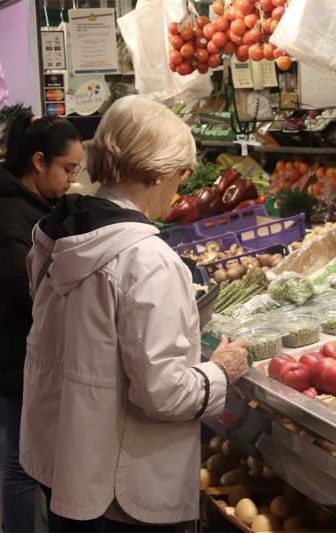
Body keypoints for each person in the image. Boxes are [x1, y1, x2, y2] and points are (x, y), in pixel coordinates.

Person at [19, 95, 249, 531]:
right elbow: (164, 393)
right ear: (158, 171)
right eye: (180, 174)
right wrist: (220, 371)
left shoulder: (55, 232)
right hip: (122, 486)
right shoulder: (148, 261)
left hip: (66, 459)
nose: (179, 187)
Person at [0, 112, 83, 532]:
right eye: (68, 169)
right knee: (22, 465)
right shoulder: (8, 213)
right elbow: (22, 288)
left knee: (40, 460)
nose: (72, 179)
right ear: (39, 162)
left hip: (27, 348)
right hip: (19, 351)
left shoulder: (31, 204)